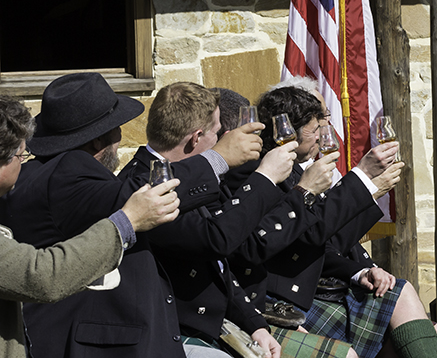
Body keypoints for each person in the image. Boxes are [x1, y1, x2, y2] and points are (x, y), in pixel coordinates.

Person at [120, 82, 389, 358]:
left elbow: (220, 269)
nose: (224, 141)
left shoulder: (184, 174)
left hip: (227, 317)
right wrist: (266, 177)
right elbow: (223, 241)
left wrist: (255, 324)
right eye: (218, 134)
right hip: (179, 330)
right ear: (196, 138)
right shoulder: (143, 184)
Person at [0, 72, 260, 358]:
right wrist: (219, 157)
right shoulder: (68, 168)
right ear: (99, 141)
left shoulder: (38, 174)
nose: (120, 137)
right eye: (116, 129)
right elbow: (134, 197)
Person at [240, 77, 437, 358]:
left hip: (323, 286)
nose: (323, 134)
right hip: (287, 298)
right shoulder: (265, 174)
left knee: (411, 304)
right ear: (289, 130)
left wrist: (362, 269)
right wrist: (363, 180)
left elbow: (329, 240)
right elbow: (313, 237)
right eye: (317, 126)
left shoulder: (297, 171)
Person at [0, 94, 181, 358]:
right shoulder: (67, 173)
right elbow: (41, 275)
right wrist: (127, 221)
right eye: (20, 154)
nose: (24, 161)